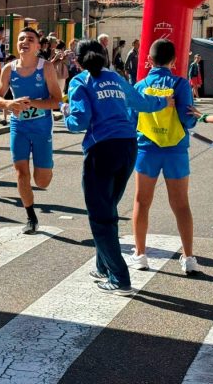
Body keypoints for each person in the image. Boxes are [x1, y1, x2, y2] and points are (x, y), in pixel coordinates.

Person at [62, 40, 171, 295]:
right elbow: (141, 102)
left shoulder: (80, 82)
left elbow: (80, 121)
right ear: (104, 55)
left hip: (101, 150)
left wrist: (64, 111)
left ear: (77, 61)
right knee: (109, 207)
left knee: (100, 217)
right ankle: (103, 266)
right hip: (128, 146)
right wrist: (163, 103)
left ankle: (120, 278)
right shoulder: (116, 77)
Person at [129, 39, 199, 275]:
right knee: (181, 204)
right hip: (175, 150)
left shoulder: (140, 86)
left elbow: (131, 119)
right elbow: (188, 118)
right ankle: (189, 258)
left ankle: (140, 255)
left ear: (148, 60)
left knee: (141, 202)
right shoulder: (180, 84)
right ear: (174, 61)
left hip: (147, 149)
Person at [0, 27, 62, 234]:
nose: (25, 42)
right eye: (21, 38)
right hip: (19, 126)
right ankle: (31, 217)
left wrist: (33, 103)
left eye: (30, 39)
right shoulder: (9, 69)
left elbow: (57, 101)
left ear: (38, 46)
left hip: (41, 128)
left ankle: (46, 164)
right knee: (21, 172)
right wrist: (8, 103)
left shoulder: (46, 68)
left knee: (41, 181)